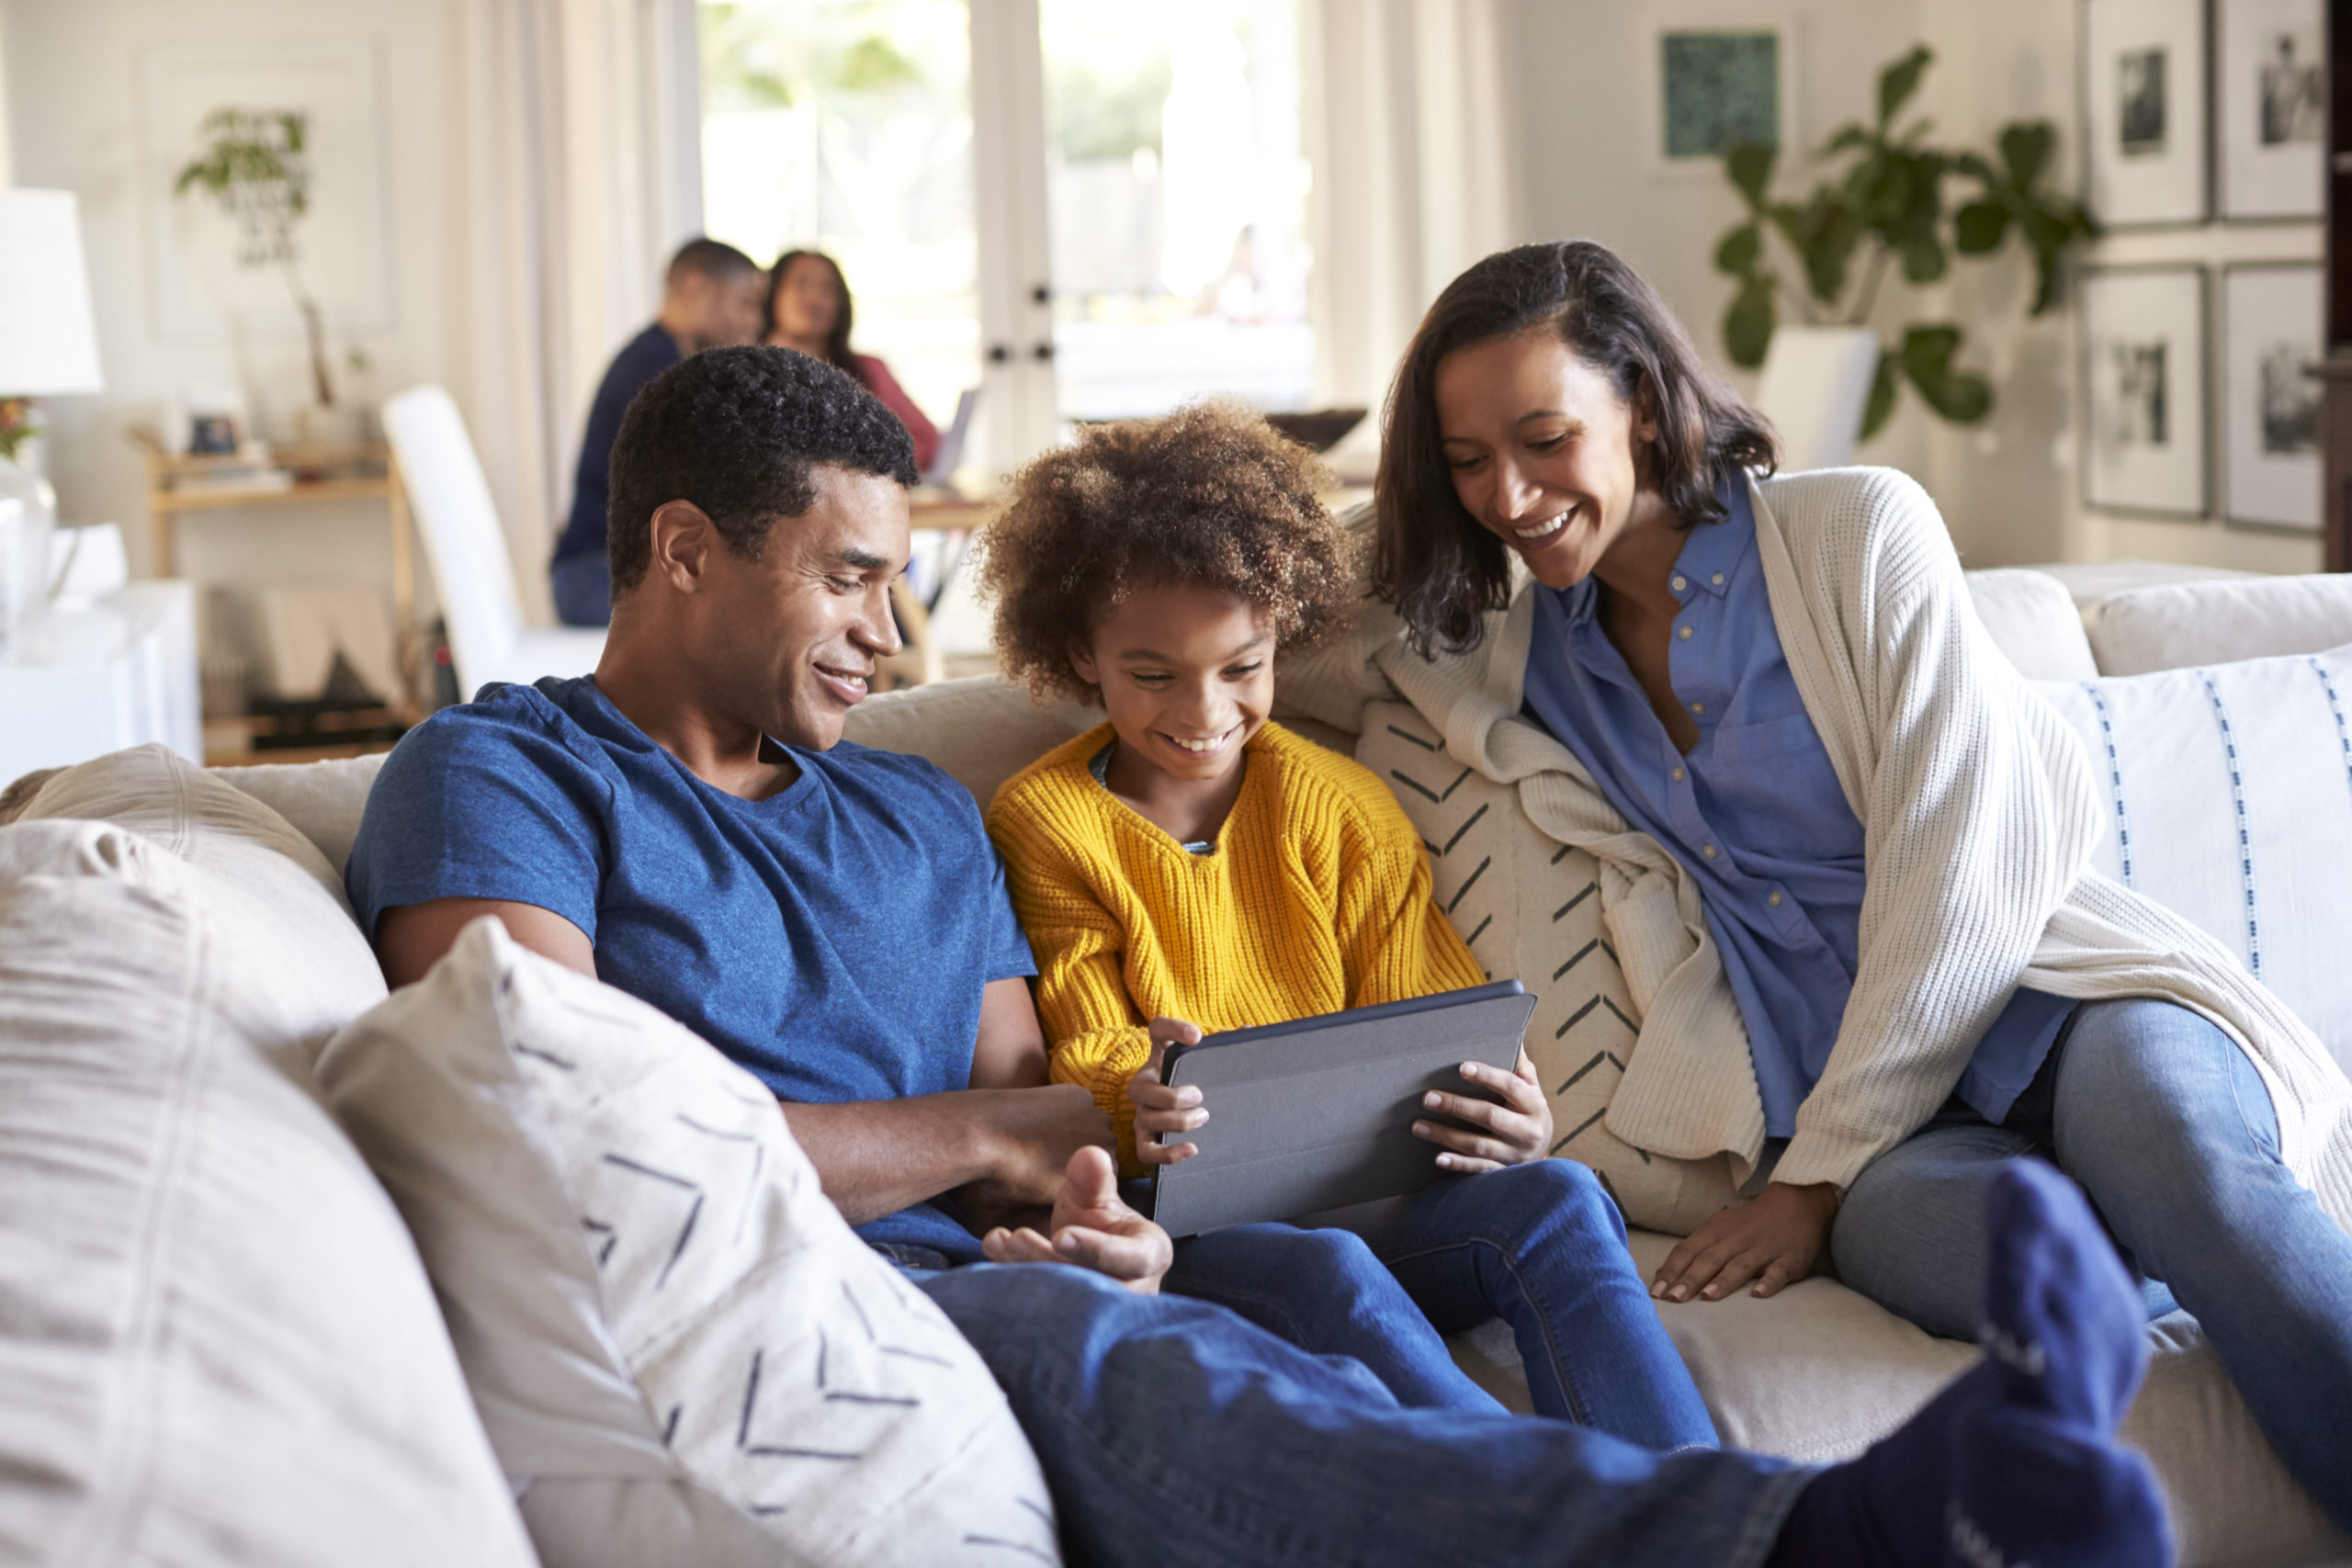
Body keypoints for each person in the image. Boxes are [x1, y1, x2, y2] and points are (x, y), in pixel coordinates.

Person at [344, 343, 2171, 1568]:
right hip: (809, 1299)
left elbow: (1022, 1121)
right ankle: (1826, 1533)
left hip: (1023, 1266)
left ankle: (1842, 1516)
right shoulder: (500, 772)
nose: (889, 633)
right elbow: (563, 1123)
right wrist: (1019, 1152)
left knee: (1234, 1310)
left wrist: (1086, 1197)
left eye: (898, 583)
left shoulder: (909, 817)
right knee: (1163, 1342)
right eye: (849, 579)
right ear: (678, 553)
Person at [1371, 237, 2352, 1529]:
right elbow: (1287, 599)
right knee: (2025, 1269)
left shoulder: (1853, 533)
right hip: (1892, 1140)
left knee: (2191, 1167)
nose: (1508, 492)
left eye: (1545, 438)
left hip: (2060, 1010)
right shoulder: (1520, 658)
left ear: (1649, 409)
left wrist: (1810, 1177)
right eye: (1466, 461)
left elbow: (1959, 864)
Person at [977, 400, 1714, 1447]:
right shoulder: (1046, 819)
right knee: (1324, 1264)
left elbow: (1433, 1015)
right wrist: (1132, 1087)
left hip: (1375, 1205)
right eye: (1152, 675)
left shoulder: (1341, 805)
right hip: (1191, 1230)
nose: (1204, 711)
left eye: (1243, 667)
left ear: (1283, 634)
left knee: (1558, 1198)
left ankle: (1706, 1507)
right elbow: (1082, 1043)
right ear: (1078, 653)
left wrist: (1509, 1112)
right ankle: (1549, 1514)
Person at [548, 237, 766, 626]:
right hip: (592, 576)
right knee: (758, 606)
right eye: (745, 303)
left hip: (598, 573)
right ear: (697, 286)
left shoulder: (660, 358)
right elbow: (707, 490)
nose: (754, 321)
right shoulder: (653, 371)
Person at [766, 248, 940, 474]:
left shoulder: (870, 370)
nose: (814, 298)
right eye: (800, 284)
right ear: (772, 294)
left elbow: (929, 443)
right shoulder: (750, 373)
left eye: (828, 289)